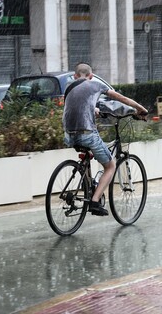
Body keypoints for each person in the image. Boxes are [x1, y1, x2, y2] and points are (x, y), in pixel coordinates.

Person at [63, 63, 148, 216]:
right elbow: (120, 98)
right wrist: (140, 109)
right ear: (91, 76)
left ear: (75, 76)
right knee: (110, 165)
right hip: (86, 133)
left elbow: (76, 106)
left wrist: (94, 109)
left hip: (69, 135)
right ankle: (94, 202)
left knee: (89, 153)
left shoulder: (69, 87)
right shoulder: (95, 84)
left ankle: (88, 186)